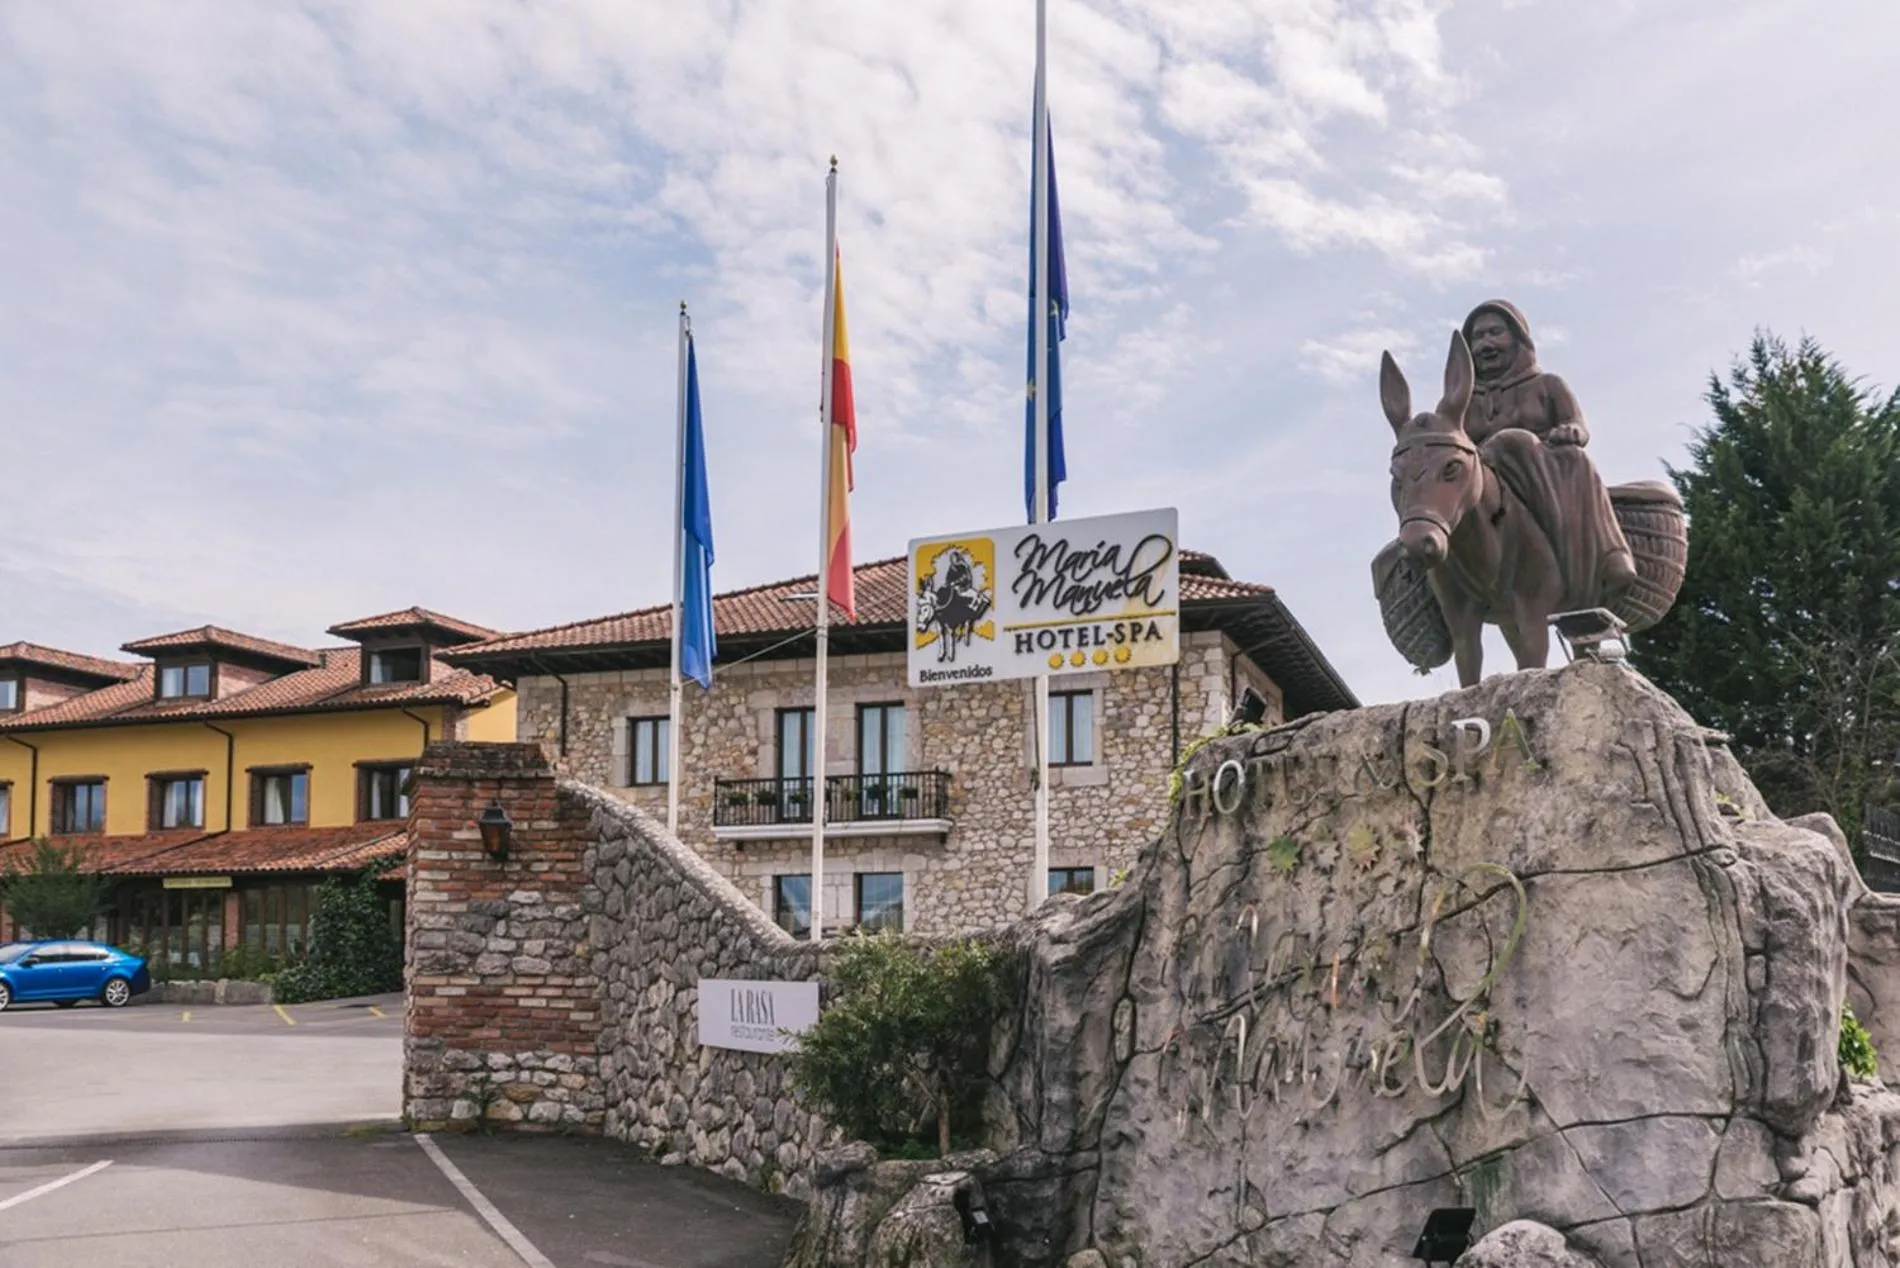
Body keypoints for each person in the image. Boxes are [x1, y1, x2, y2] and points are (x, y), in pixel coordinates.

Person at [1461, 300, 1637, 600]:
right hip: (1487, 481)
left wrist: (1570, 432)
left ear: (1517, 339)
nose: (1485, 344)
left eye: (1495, 333)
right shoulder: (1463, 400)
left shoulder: (1547, 385)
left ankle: (1609, 554)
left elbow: (1578, 425)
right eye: (1477, 337)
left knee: (1577, 459)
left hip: (1547, 470)